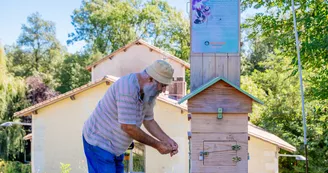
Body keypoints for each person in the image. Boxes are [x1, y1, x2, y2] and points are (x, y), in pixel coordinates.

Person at [82, 59, 179, 173]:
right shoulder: (127, 89)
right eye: (162, 85)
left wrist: (167, 140)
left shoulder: (148, 94)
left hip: (116, 148)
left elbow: (149, 120)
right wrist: (158, 145)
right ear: (151, 79)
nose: (163, 90)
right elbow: (128, 127)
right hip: (99, 142)